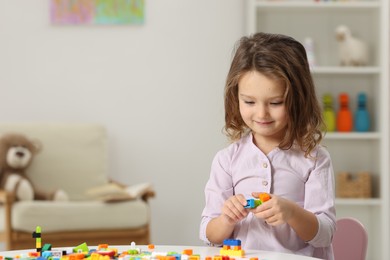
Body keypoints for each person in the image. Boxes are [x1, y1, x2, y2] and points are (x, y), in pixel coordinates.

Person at [199, 32, 336, 260]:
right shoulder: (227, 160)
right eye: (249, 102)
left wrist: (291, 212)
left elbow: (325, 234)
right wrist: (226, 219)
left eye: (275, 102)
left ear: (297, 99)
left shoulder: (314, 158)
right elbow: (208, 234)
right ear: (236, 98)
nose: (261, 113)